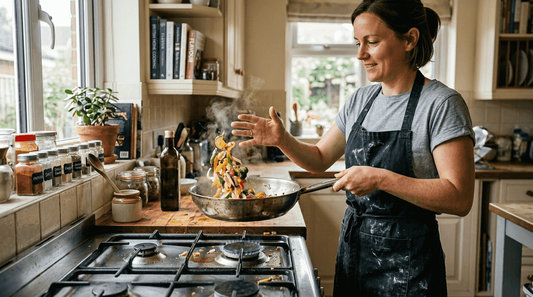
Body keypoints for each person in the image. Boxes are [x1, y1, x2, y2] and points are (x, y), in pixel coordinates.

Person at [231, 0, 475, 295]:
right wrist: (282, 139)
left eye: (371, 42)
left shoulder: (441, 104)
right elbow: (320, 158)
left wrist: (380, 178)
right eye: (358, 43)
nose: (360, 54)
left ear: (409, 39)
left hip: (410, 266)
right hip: (355, 253)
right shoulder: (360, 101)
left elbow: (459, 197)